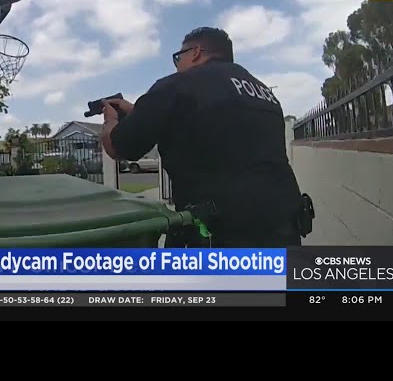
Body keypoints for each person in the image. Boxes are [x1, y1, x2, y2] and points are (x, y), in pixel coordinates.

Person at [100, 27, 304, 248]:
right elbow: (212, 124)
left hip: (220, 237)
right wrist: (139, 112)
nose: (177, 65)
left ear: (196, 52)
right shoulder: (264, 94)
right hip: (285, 229)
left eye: (178, 57)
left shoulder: (177, 85)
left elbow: (119, 146)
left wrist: (111, 120)